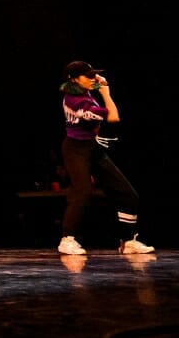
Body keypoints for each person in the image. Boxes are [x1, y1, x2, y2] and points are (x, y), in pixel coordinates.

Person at [56, 60, 154, 256]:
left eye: (95, 75)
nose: (94, 79)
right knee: (83, 191)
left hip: (93, 147)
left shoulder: (84, 93)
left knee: (127, 193)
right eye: (88, 76)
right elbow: (114, 117)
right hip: (76, 149)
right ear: (74, 79)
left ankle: (128, 241)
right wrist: (106, 93)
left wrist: (98, 86)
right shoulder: (75, 101)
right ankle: (67, 239)